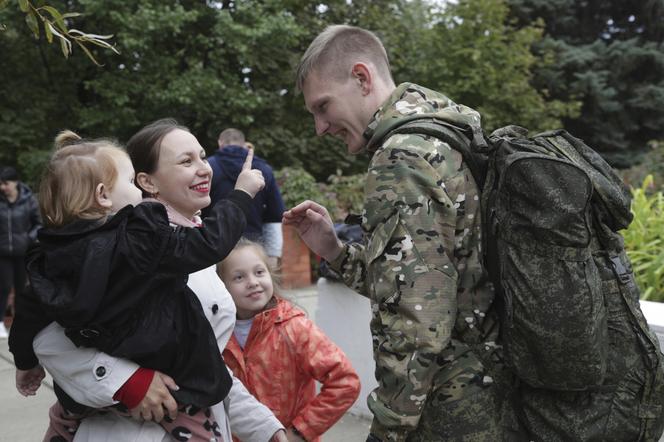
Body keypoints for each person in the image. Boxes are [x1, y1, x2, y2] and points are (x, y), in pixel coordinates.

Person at [283, 25, 503, 441]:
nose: (320, 127)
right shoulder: (449, 133)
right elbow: (429, 287)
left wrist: (388, 429)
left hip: (450, 407)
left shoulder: (401, 157)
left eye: (323, 106)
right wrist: (334, 250)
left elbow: (416, 325)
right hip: (491, 391)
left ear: (362, 78)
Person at [12, 119, 287, 442]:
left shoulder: (166, 240)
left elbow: (206, 357)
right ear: (147, 182)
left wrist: (264, 427)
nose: (205, 168)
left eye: (202, 156)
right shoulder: (141, 243)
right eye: (187, 161)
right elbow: (49, 341)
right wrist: (129, 381)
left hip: (195, 401)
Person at [219, 239, 361, 442]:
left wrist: (299, 431)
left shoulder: (294, 328)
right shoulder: (217, 334)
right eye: (239, 277)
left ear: (270, 274)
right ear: (222, 287)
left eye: (259, 272)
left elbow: (345, 382)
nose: (253, 282)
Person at [205, 128, 285, 266]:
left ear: (220, 143)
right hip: (254, 246)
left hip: (214, 245)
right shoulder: (263, 169)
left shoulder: (207, 168)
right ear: (243, 144)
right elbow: (274, 215)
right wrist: (273, 255)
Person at [0, 166, 42, 339]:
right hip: (2, 253)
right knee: (3, 287)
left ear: (15, 182)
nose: (2, 187)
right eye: (0, 184)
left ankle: (19, 324)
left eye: (5, 183)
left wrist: (28, 238)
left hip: (22, 252)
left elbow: (38, 224)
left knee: (22, 289)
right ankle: (0, 322)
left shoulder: (29, 199)